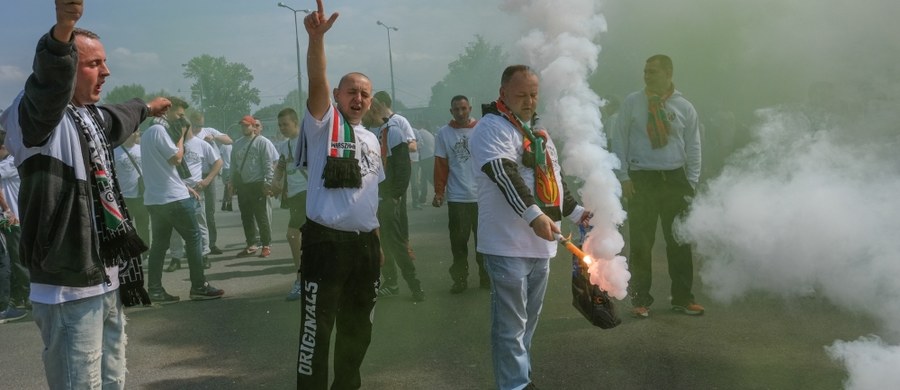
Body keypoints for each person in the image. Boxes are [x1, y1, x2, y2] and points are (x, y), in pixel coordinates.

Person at [0, 1, 165, 385]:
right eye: (93, 64)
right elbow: (48, 84)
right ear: (68, 67)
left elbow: (119, 116)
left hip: (104, 275)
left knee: (112, 380)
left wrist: (147, 107)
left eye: (104, 62)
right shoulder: (34, 116)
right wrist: (64, 28)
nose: (106, 71)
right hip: (66, 287)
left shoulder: (87, 117)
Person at [470, 65, 589, 390]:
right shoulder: (491, 128)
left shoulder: (538, 134)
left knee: (528, 323)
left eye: (534, 94)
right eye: (521, 94)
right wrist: (534, 216)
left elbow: (555, 181)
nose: (529, 101)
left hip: (543, 246)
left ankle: (520, 378)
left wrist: (579, 213)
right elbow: (503, 174)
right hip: (506, 244)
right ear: (503, 92)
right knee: (511, 324)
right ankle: (515, 385)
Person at [295, 2, 385, 388]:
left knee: (358, 330)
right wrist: (316, 40)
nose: (359, 99)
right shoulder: (324, 125)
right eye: (352, 92)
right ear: (337, 94)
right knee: (318, 333)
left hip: (364, 246)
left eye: (365, 94)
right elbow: (316, 81)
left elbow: (370, 198)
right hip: (326, 245)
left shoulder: (371, 138)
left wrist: (377, 244)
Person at [609, 54, 704, 318]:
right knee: (641, 243)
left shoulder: (684, 107)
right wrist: (624, 176)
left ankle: (683, 299)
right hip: (642, 179)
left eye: (653, 72)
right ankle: (641, 299)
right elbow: (619, 141)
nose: (647, 76)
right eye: (646, 72)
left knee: (679, 242)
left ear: (668, 74)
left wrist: (691, 183)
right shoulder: (632, 103)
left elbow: (694, 146)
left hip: (675, 179)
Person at [142, 97, 224, 303]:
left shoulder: (147, 133)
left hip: (157, 198)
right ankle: (199, 286)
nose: (181, 119)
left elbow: (163, 169)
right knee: (194, 238)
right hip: (173, 198)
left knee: (159, 245)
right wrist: (179, 136)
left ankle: (155, 290)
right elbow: (177, 159)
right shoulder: (160, 131)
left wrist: (185, 185)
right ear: (165, 112)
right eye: (179, 115)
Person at [369, 92, 425, 302]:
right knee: (377, 244)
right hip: (370, 200)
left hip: (387, 198)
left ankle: (414, 284)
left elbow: (403, 168)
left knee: (395, 242)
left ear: (373, 109)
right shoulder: (365, 132)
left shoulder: (392, 131)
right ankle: (390, 283)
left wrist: (395, 196)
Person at [432, 95, 488, 293]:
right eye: (456, 109)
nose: (461, 113)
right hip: (458, 198)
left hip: (483, 197)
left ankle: (486, 277)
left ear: (470, 108)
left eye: (464, 108)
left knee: (485, 243)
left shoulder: (483, 129)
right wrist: (439, 192)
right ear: (451, 111)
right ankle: (460, 279)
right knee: (458, 243)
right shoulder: (443, 134)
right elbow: (441, 165)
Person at [165, 118, 223, 272]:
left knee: (200, 223)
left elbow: (218, 162)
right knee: (175, 227)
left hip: (196, 191)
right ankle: (176, 257)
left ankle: (204, 255)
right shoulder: (173, 145)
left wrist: (207, 180)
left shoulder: (201, 144)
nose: (177, 130)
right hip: (176, 190)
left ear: (187, 127)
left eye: (180, 127)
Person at [272, 108, 308, 301]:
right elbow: (281, 166)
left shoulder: (307, 140)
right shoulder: (285, 146)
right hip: (295, 197)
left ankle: (301, 280)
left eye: (285, 124)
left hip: (309, 195)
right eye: (280, 125)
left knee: (292, 235)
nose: (282, 128)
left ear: (296, 123)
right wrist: (275, 182)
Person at [230, 115, 277, 258]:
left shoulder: (262, 142)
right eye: (242, 126)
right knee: (246, 217)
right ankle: (251, 244)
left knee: (261, 216)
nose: (244, 128)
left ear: (253, 126)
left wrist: (268, 182)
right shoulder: (237, 144)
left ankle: (266, 245)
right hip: (243, 185)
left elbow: (268, 164)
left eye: (247, 125)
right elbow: (233, 165)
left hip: (257, 184)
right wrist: (231, 182)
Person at [189, 111, 232, 255]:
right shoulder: (188, 135)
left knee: (210, 212)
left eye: (200, 126)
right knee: (194, 213)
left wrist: (214, 137)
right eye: (195, 126)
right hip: (193, 177)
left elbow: (229, 140)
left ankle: (211, 243)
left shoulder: (208, 131)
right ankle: (194, 244)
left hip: (210, 174)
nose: (197, 129)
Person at [0, 132, 31, 310]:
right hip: (9, 219)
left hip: (16, 219)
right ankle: (19, 295)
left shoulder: (11, 162)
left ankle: (27, 295)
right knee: (12, 260)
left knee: (18, 260)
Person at [114, 130, 150, 249]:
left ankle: (145, 251)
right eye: (133, 132)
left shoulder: (142, 149)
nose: (135, 135)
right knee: (126, 227)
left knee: (143, 225)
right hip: (125, 197)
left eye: (137, 132)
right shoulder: (115, 151)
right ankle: (129, 251)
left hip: (141, 195)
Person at [413, 127, 434, 209]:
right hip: (430, 155)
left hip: (425, 157)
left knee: (428, 178)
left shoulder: (417, 133)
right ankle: (422, 197)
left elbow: (419, 146)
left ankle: (443, 194)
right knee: (424, 178)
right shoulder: (425, 132)